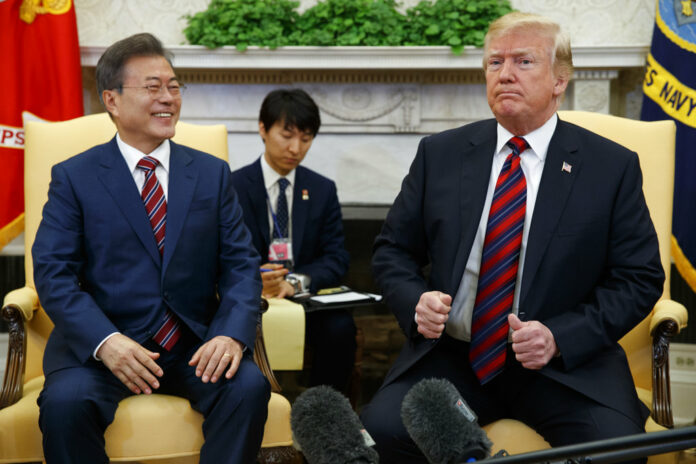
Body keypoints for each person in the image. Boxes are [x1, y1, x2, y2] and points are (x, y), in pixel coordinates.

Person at [360, 12, 664, 464]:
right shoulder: (439, 154)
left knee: (616, 449)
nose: (504, 74)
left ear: (560, 80)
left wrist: (560, 336)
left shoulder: (609, 167)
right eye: (494, 62)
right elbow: (392, 252)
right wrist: (415, 301)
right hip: (455, 358)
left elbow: (638, 278)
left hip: (562, 368)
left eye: (523, 61)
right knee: (385, 428)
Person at [32, 33, 269, 464]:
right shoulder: (74, 177)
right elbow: (53, 273)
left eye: (174, 86)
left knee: (248, 388)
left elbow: (240, 265)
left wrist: (231, 333)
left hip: (191, 346)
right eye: (152, 87)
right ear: (113, 100)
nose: (168, 98)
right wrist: (105, 341)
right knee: (65, 406)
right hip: (104, 349)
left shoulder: (211, 175)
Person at [230, 88, 356, 392]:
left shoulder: (322, 189)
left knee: (340, 327)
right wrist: (258, 279)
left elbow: (336, 257)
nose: (295, 148)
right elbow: (224, 253)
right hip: (251, 298)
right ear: (263, 128)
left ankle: (320, 415)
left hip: (302, 297)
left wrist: (295, 282)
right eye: (286, 135)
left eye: (306, 138)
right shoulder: (233, 185)